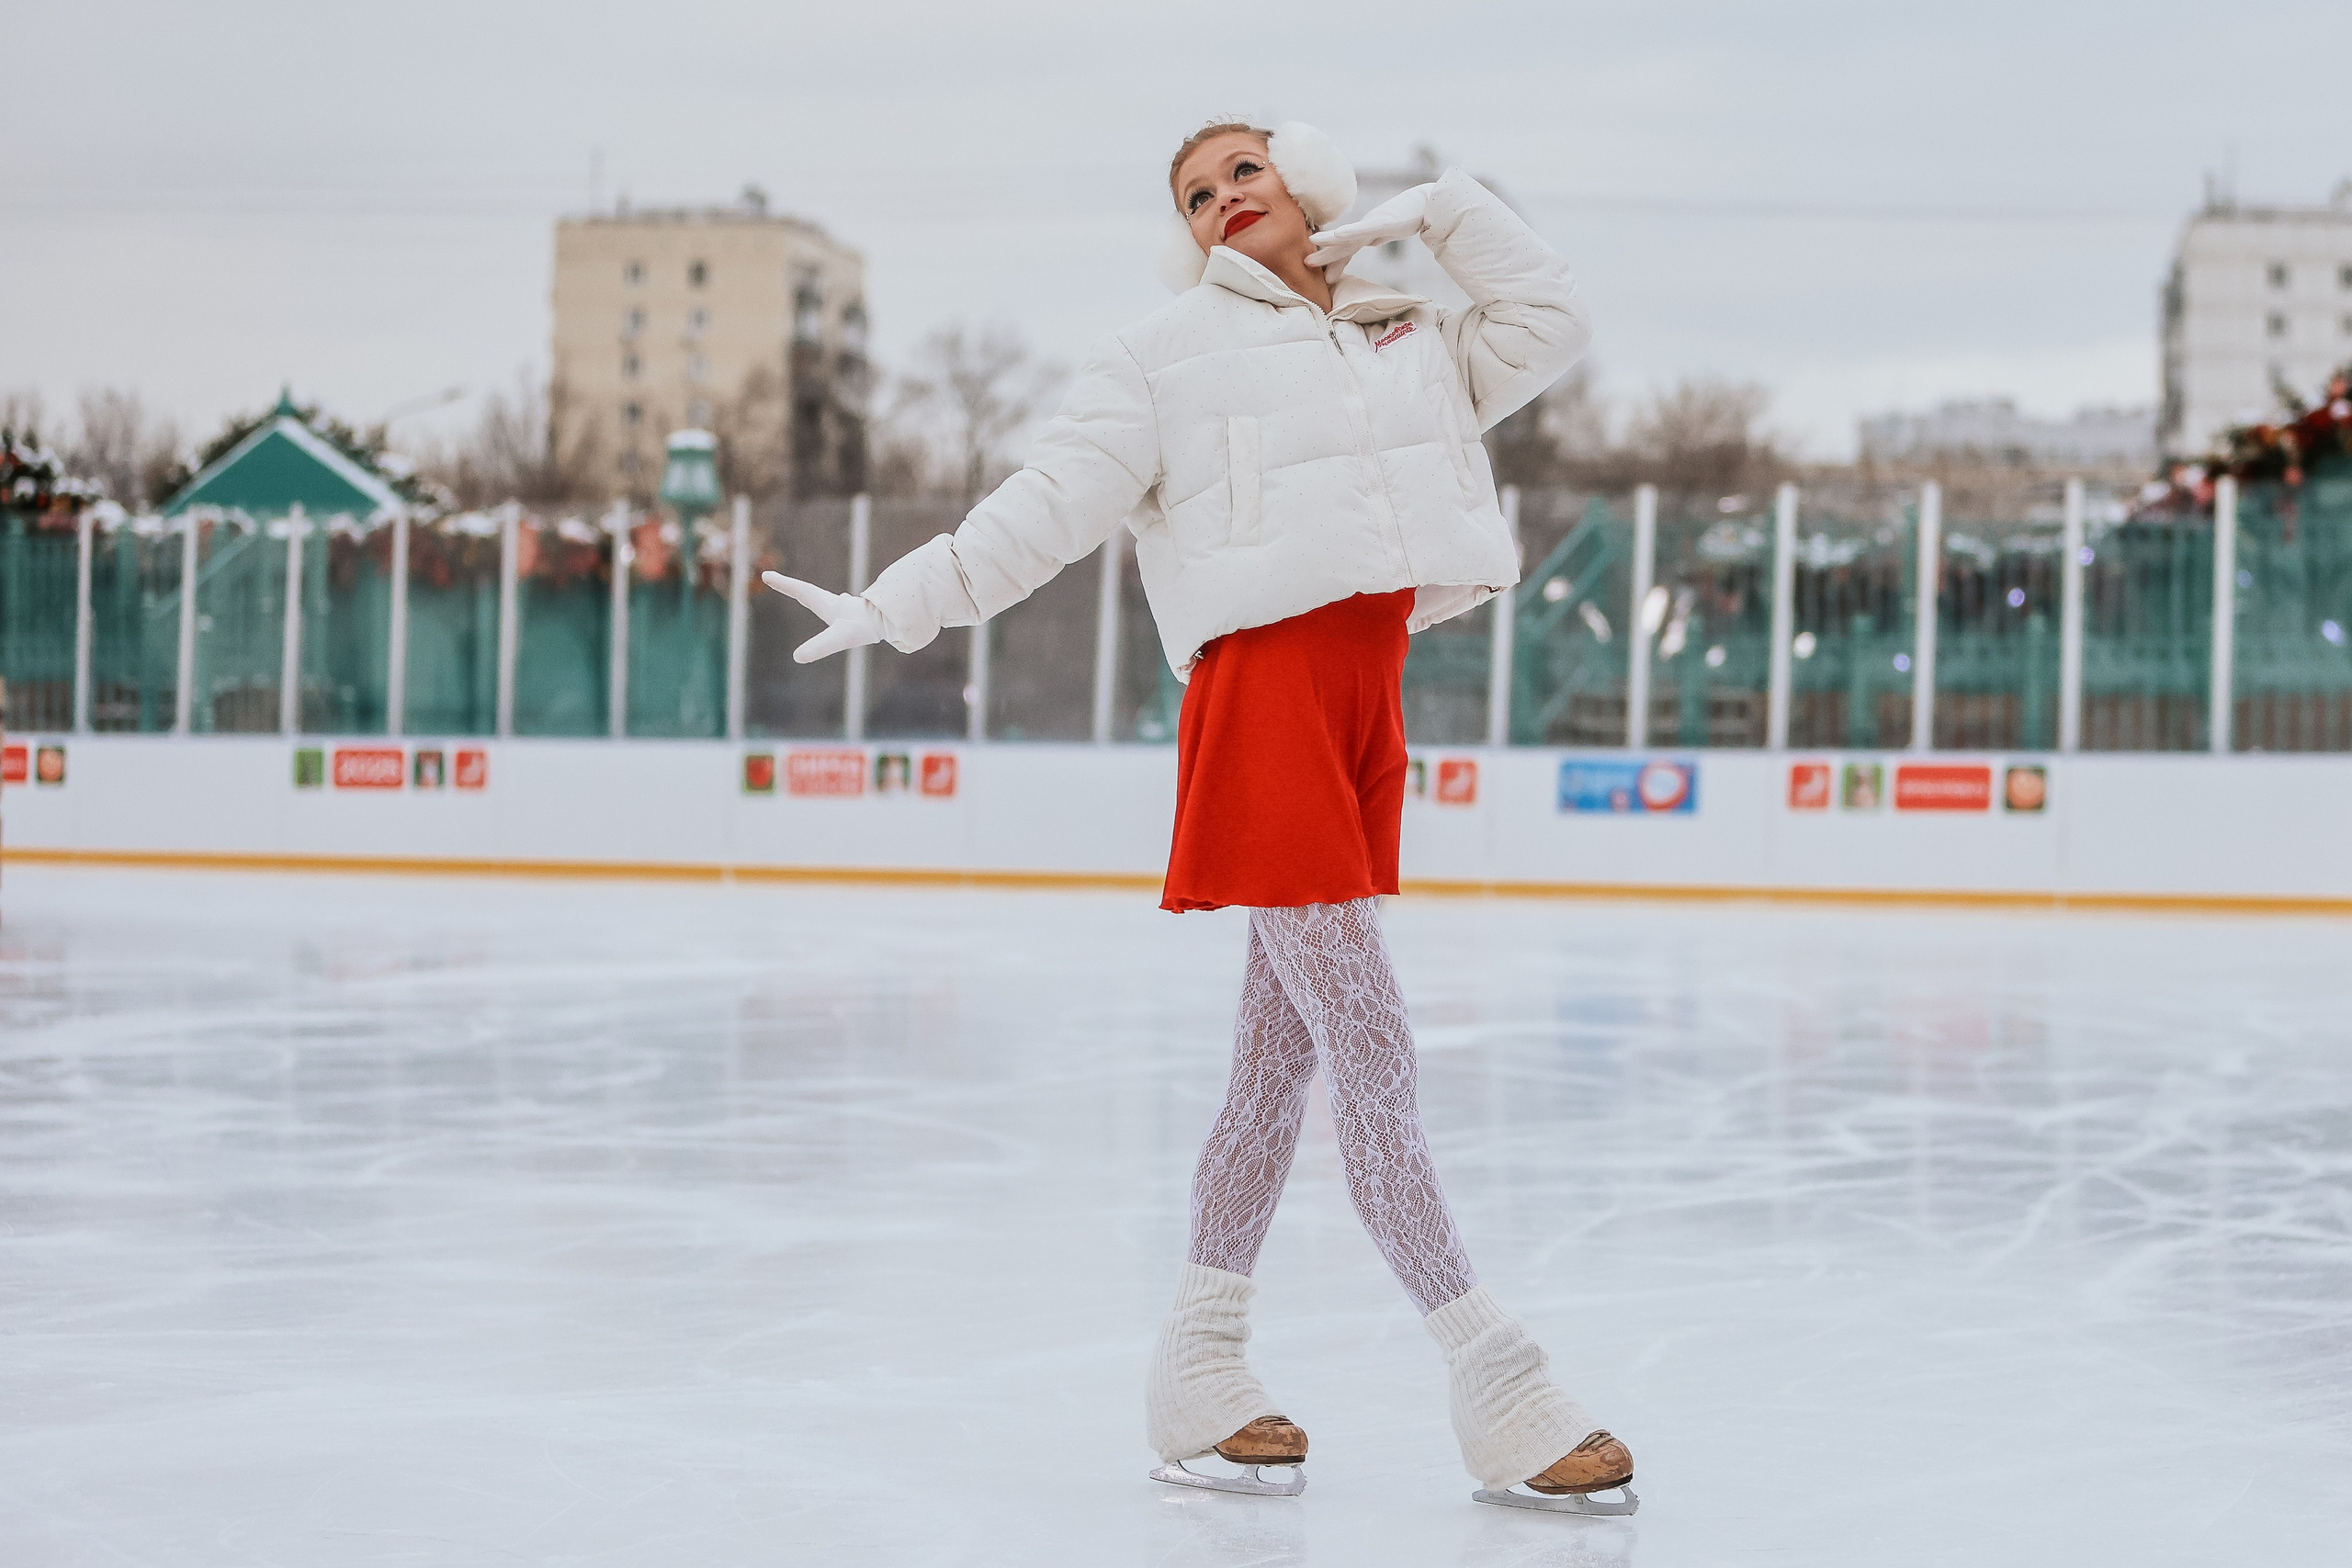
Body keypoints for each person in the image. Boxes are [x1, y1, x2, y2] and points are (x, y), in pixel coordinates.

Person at [764, 118, 1634, 1515]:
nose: (1222, 198)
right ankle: (1501, 1385)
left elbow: (1552, 320)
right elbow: (1043, 509)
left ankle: (1200, 1372)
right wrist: (893, 603)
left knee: (1272, 1075)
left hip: (1361, 705)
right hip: (1267, 706)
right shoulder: (1160, 357)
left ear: (1306, 179)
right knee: (1373, 1053)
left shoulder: (1404, 335)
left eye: (1245, 170)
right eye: (1194, 194)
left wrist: (1446, 210)